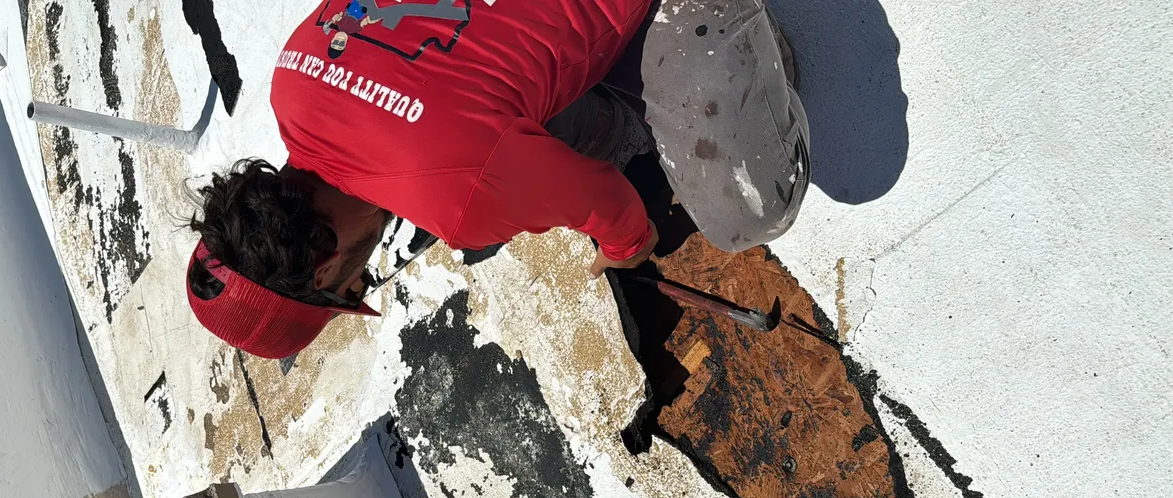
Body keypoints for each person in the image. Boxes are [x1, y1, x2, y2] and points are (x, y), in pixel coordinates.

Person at [188, 0, 808, 359]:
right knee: (492, 122)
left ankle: (725, 35)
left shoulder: (456, 199)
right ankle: (617, 110)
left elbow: (615, 209)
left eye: (351, 291)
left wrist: (625, 251)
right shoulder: (290, 81)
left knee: (752, 208)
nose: (360, 281)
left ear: (322, 273)